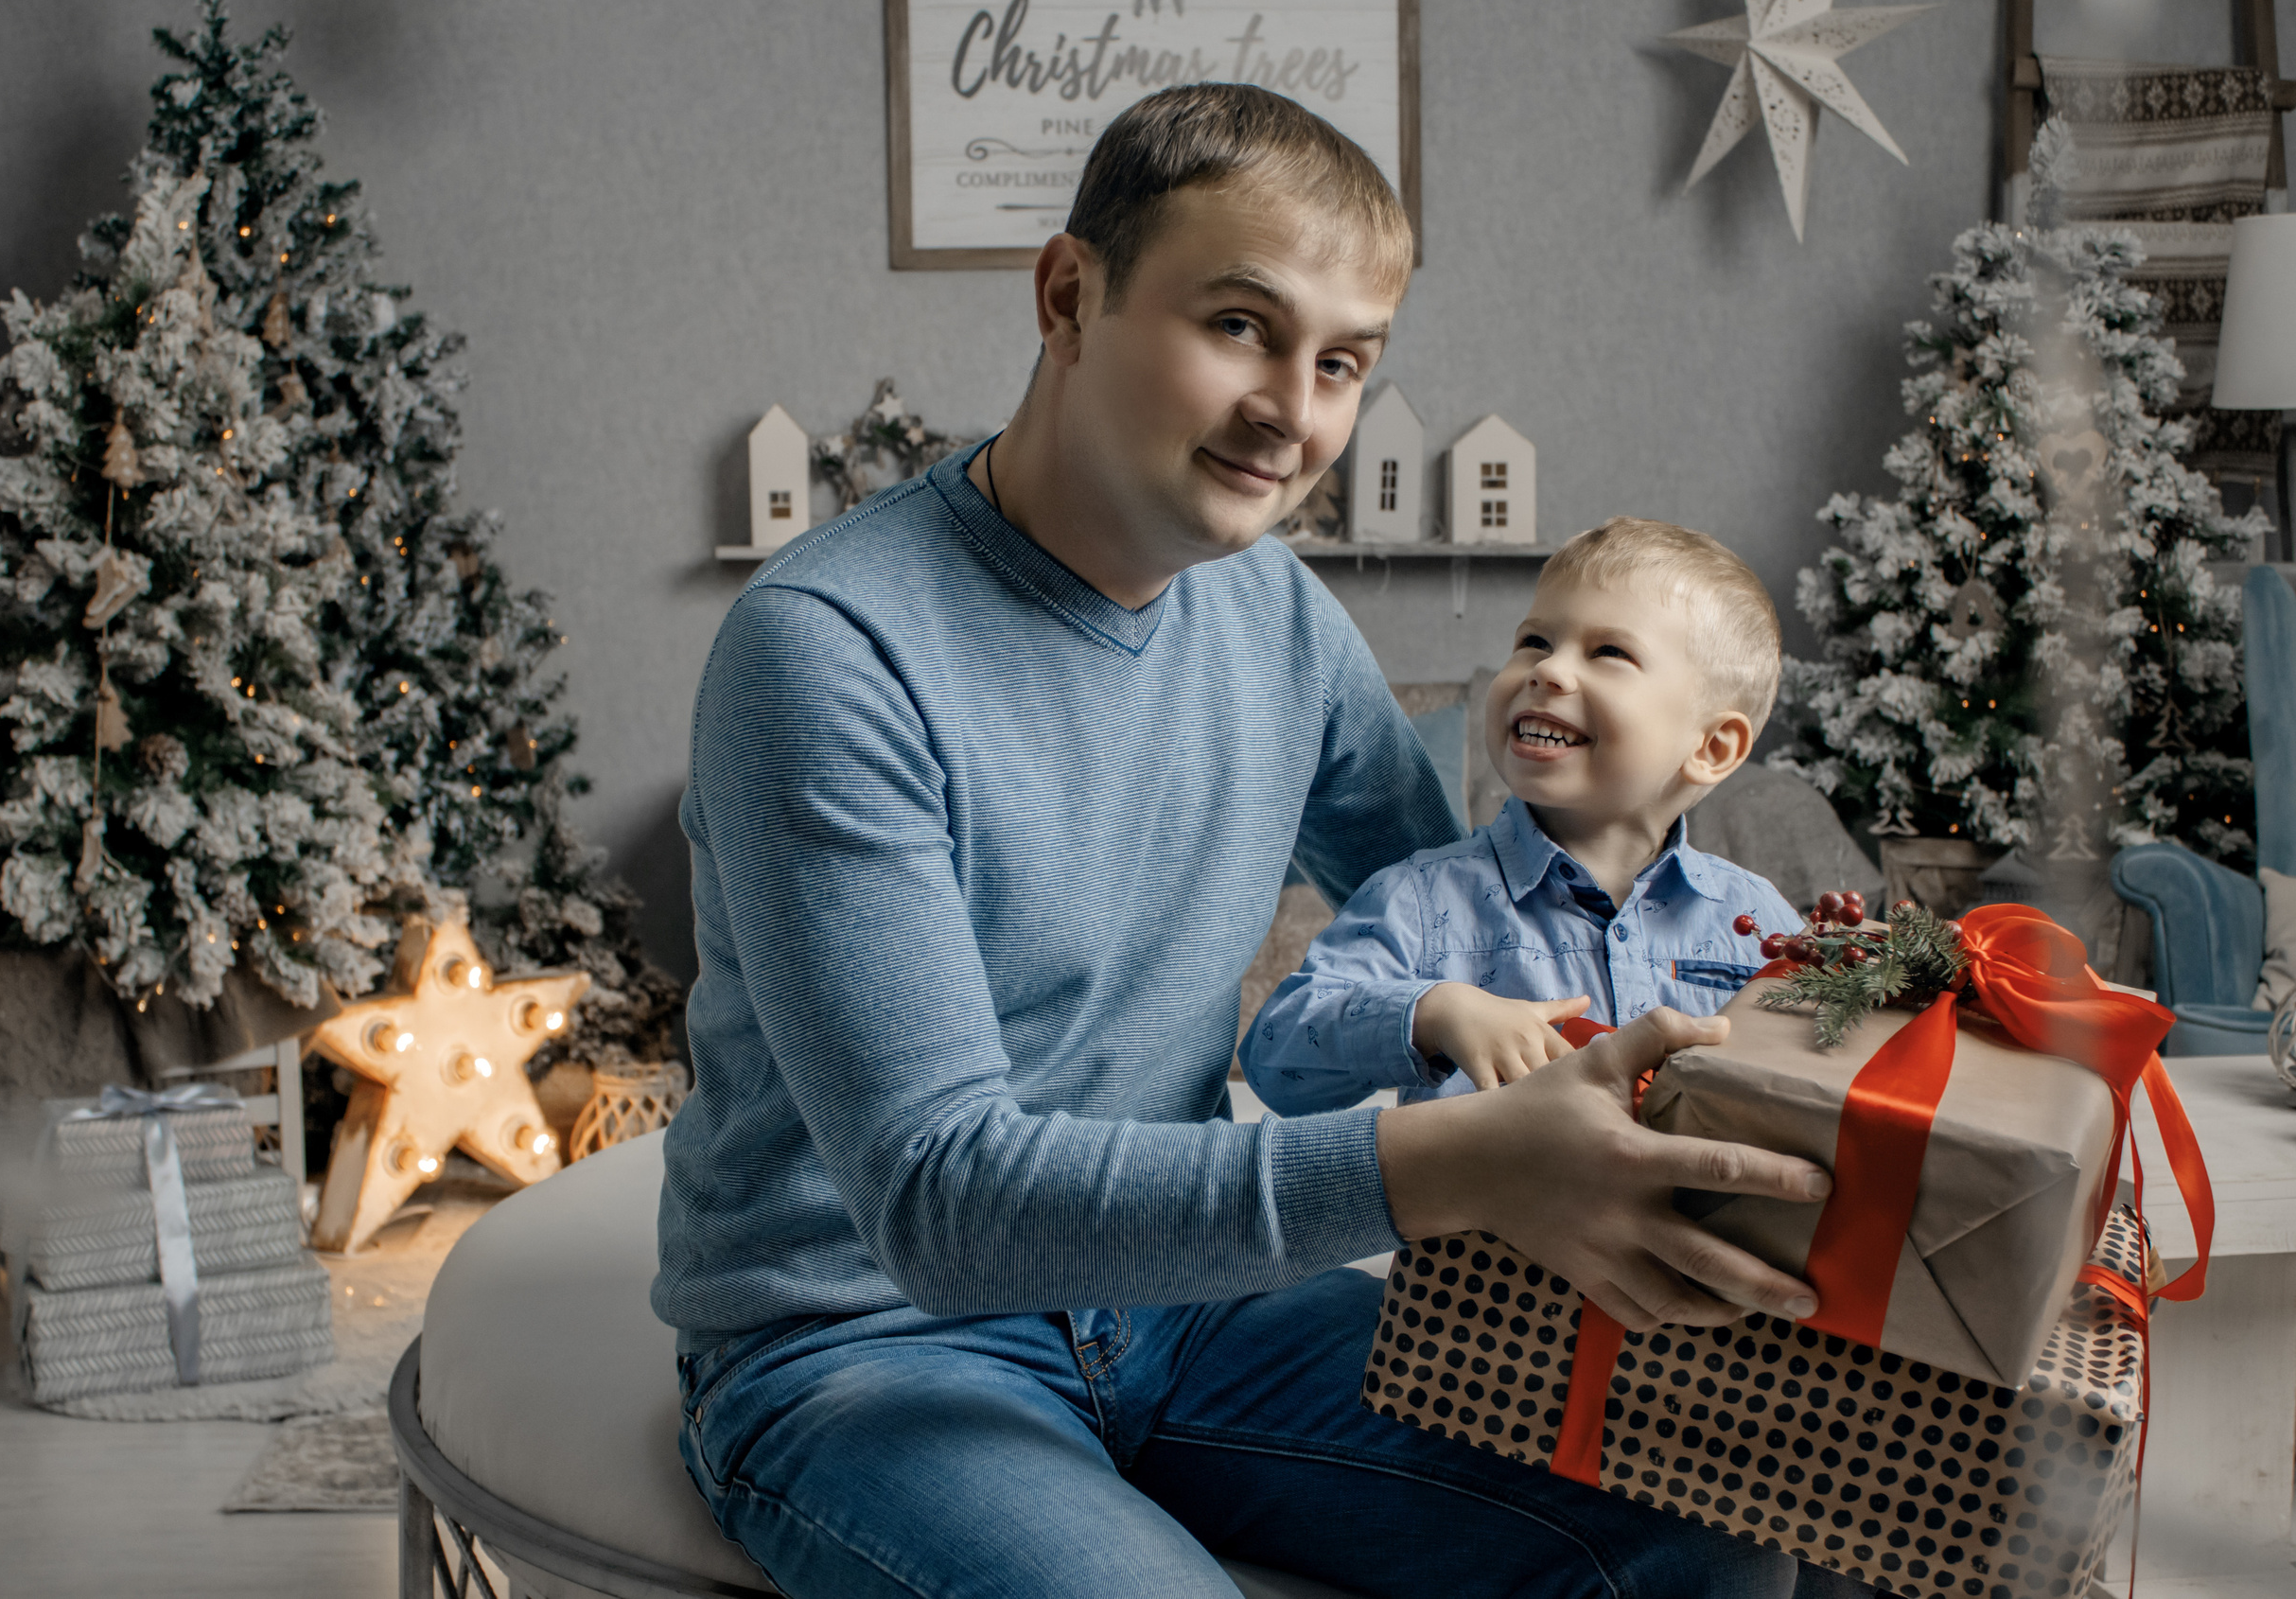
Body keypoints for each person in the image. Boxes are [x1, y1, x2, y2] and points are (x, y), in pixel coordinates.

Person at [656, 85, 1838, 1599]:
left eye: (1342, 361)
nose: (1295, 410)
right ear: (1070, 294)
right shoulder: (827, 650)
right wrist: (1455, 1160)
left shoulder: (1273, 613)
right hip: (869, 1341)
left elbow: (1471, 925)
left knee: (1716, 1499)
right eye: (1239, 325)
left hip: (1187, 1305)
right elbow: (940, 1202)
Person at [1241, 518, 1808, 1118]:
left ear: (1710, 748)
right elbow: (1278, 1061)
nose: (1548, 670)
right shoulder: (1418, 900)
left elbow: (1818, 1083)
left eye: (1608, 652)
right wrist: (1431, 1014)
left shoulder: (1759, 921)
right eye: (1535, 641)